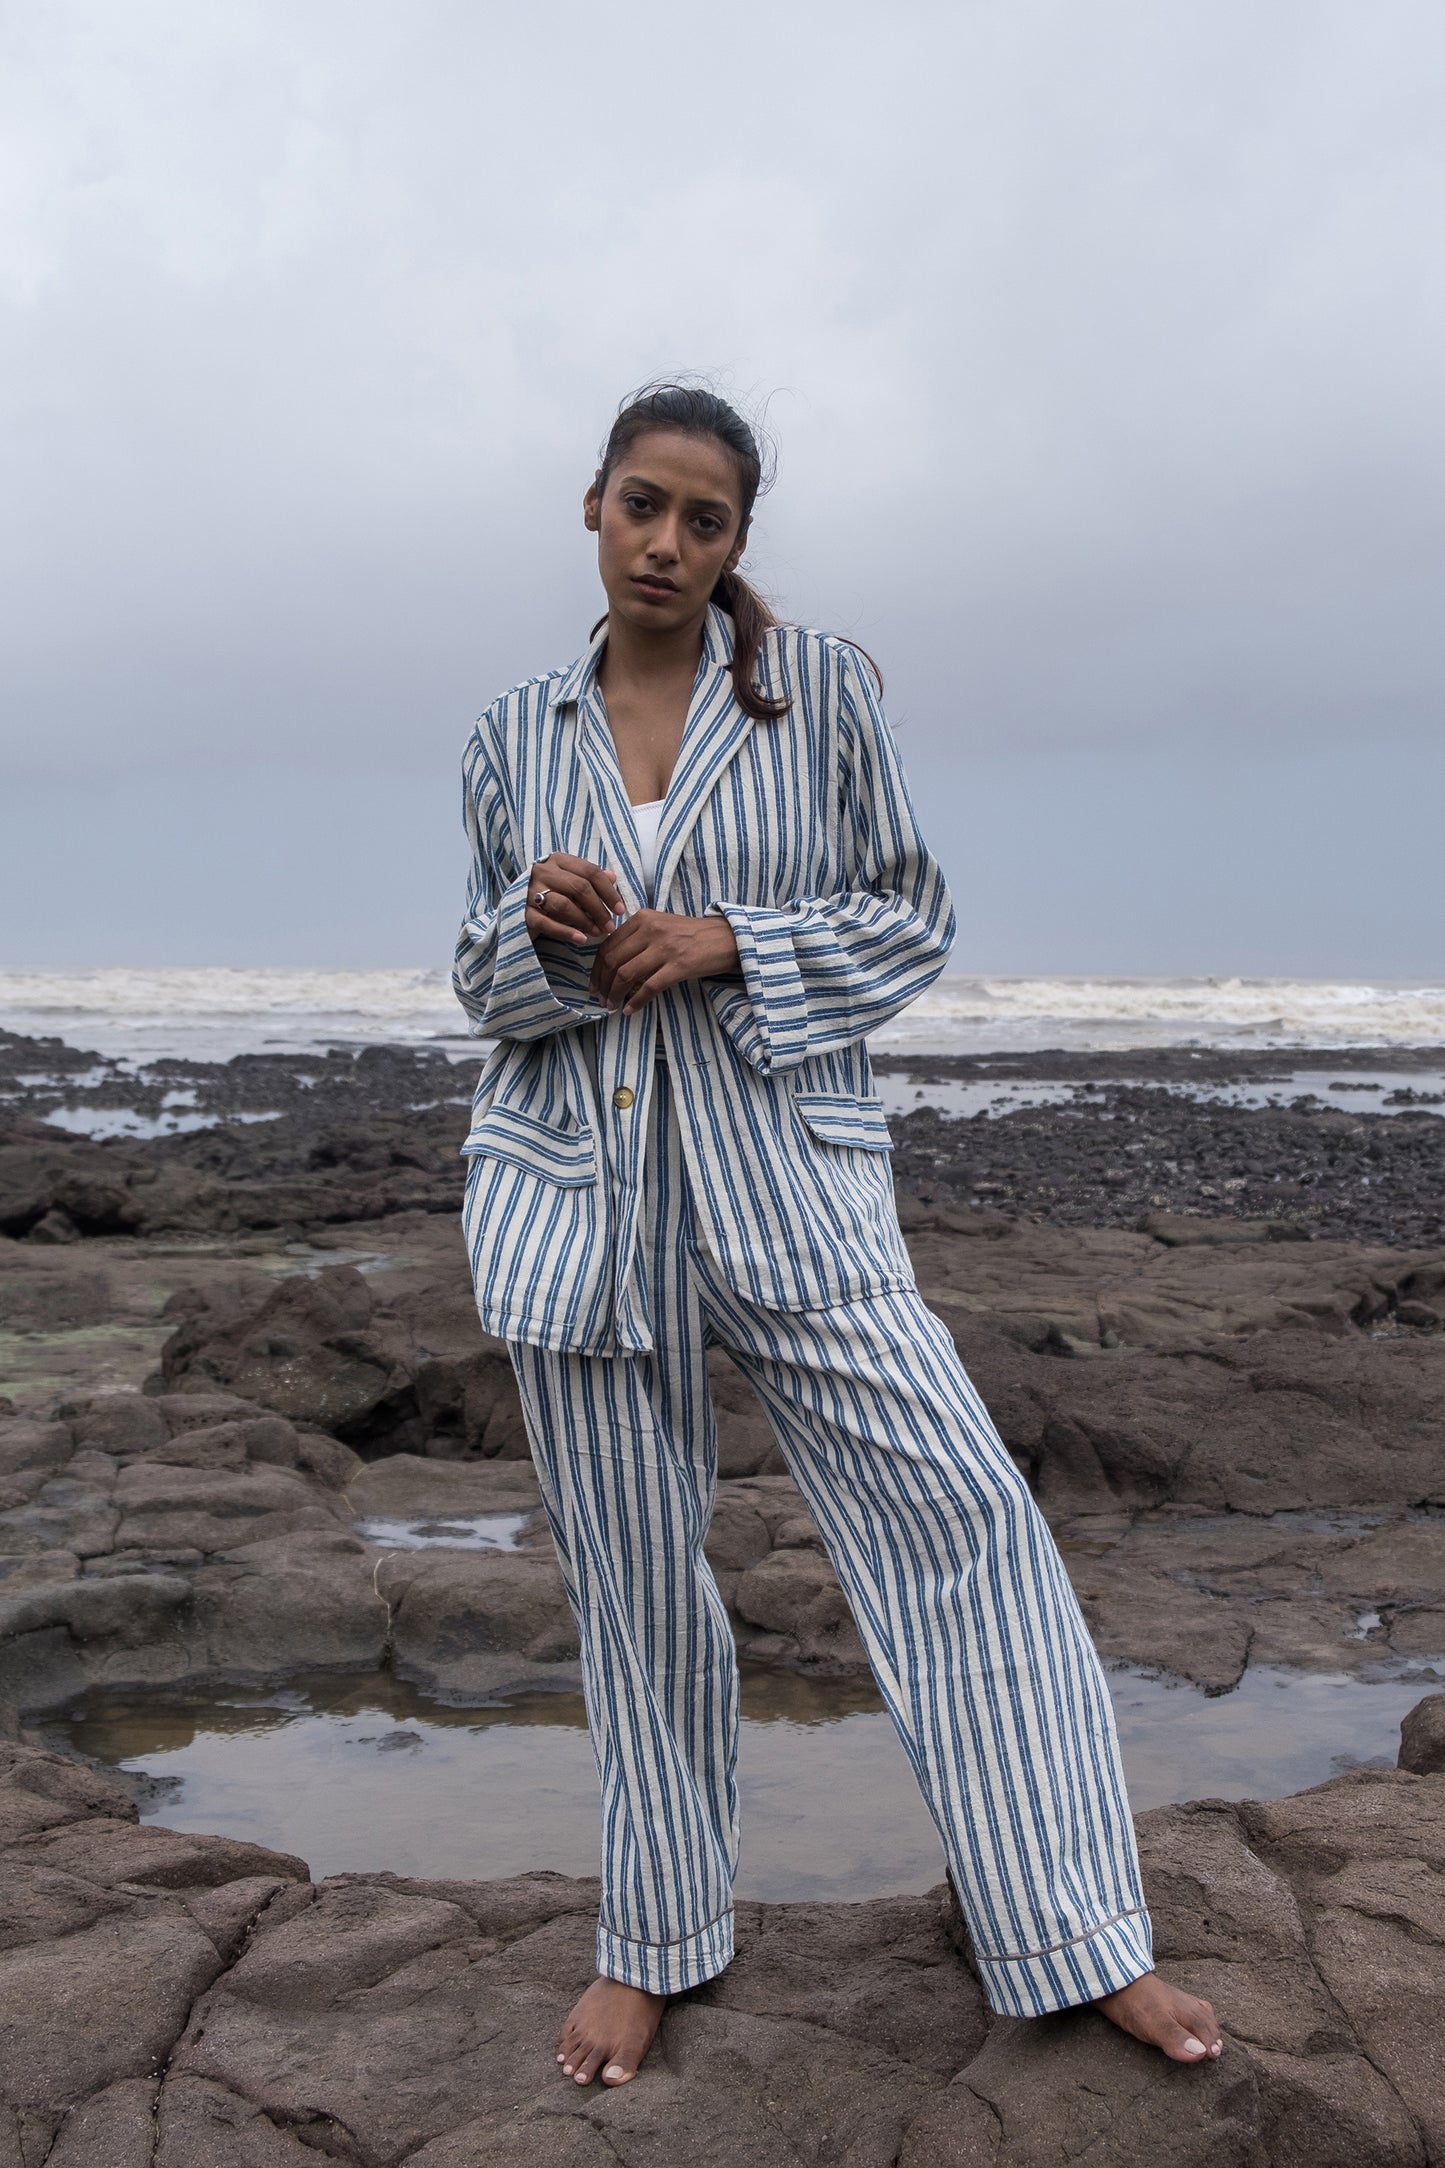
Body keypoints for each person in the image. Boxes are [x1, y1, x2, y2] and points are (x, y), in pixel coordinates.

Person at [452, 382, 1223, 2090]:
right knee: (634, 1582)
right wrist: (548, 938)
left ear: (737, 541)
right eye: (641, 504)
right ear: (589, 507)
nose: (666, 541)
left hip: (793, 1187)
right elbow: (479, 982)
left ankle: (1079, 1933)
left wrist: (729, 939)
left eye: (704, 518)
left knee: (964, 1523)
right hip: (577, 1202)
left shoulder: (821, 696)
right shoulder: (509, 733)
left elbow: (909, 916)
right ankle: (652, 1943)